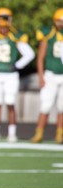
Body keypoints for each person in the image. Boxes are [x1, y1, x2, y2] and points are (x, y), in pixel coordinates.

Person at [0, 8, 35, 143]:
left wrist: (18, 65)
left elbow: (29, 54)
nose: (3, 26)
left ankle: (12, 133)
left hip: (11, 75)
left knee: (10, 103)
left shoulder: (16, 36)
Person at [30, 8, 63, 144]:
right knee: (46, 105)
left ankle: (59, 134)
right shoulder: (48, 34)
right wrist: (41, 76)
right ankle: (39, 133)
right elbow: (40, 57)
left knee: (62, 107)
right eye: (59, 21)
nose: (61, 24)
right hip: (50, 74)